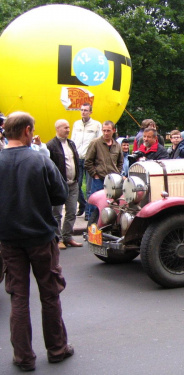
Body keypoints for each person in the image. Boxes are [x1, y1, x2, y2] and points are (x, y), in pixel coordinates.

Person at [0, 112, 73, 371]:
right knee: (50, 294)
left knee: (18, 297)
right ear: (28, 131)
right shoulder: (40, 159)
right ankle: (56, 349)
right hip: (41, 237)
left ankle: (23, 357)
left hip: (8, 240)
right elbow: (60, 195)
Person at [47, 119, 82, 249]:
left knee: (72, 211)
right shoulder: (51, 145)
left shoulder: (71, 143)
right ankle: (58, 238)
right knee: (57, 213)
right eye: (65, 127)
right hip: (58, 185)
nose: (68, 130)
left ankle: (68, 237)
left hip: (73, 184)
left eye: (68, 127)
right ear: (57, 128)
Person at [84, 120, 124, 216]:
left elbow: (120, 161)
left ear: (113, 130)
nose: (106, 133)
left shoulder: (117, 145)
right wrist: (95, 174)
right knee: (95, 207)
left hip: (113, 182)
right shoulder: (95, 143)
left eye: (108, 130)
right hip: (99, 180)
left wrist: (117, 173)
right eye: (104, 130)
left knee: (112, 206)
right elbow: (88, 161)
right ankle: (92, 226)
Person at [71, 103, 102, 219]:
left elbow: (99, 143)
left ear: (90, 112)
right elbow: (73, 140)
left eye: (85, 110)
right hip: (78, 158)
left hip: (90, 160)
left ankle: (89, 214)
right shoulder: (76, 124)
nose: (83, 112)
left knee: (89, 188)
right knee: (76, 186)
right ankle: (82, 205)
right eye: (81, 110)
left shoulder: (96, 125)